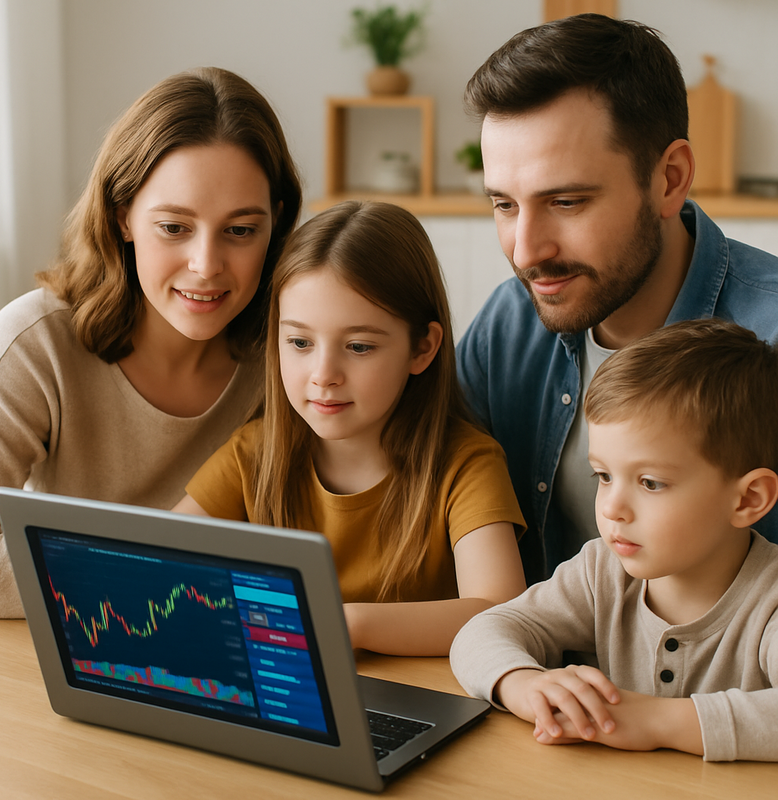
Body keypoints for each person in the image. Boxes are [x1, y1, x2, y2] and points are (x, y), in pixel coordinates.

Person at [456, 13, 778, 585]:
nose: (526, 251)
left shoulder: (769, 337)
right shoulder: (507, 327)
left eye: (566, 202)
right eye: (504, 205)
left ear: (670, 178)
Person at [0, 67, 302, 618]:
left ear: (275, 223)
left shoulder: (294, 352)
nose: (206, 266)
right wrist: (145, 571)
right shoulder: (36, 344)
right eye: (174, 228)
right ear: (122, 216)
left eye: (240, 230)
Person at [174, 200, 527, 656]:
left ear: (422, 348)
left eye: (359, 347)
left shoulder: (466, 464)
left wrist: (347, 624)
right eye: (300, 342)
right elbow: (157, 563)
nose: (324, 375)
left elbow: (499, 611)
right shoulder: (254, 453)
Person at [451, 319, 778, 762]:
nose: (611, 508)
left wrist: (656, 720)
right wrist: (523, 683)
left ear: (749, 499)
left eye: (650, 482)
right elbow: (482, 632)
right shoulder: (601, 571)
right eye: (603, 476)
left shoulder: (769, 601)